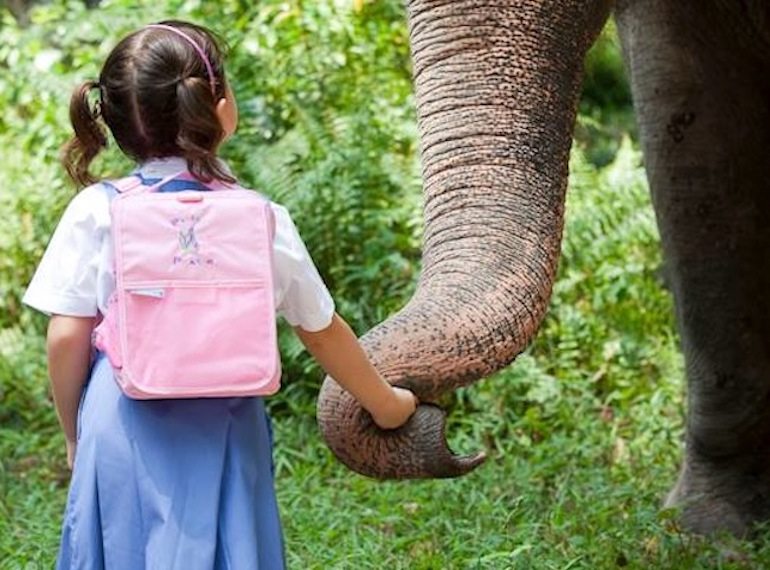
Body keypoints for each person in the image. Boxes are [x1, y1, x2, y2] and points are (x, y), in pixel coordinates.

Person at [22, 20, 417, 570]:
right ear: (221, 110)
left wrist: (75, 431)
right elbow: (321, 329)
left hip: (122, 424)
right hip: (227, 426)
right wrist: (387, 404)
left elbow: (66, 335)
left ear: (112, 123)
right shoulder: (260, 218)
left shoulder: (98, 210)